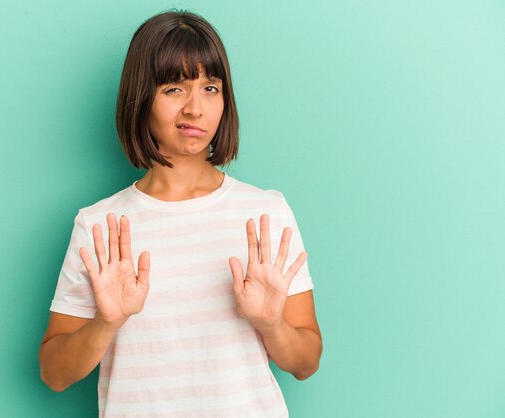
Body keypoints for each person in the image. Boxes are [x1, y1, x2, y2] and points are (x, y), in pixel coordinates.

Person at [39, 10, 322, 417]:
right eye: (174, 89)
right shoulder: (100, 226)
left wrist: (270, 323)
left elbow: (307, 363)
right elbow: (54, 374)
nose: (195, 109)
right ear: (141, 97)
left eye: (210, 87)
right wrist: (106, 322)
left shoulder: (265, 213)